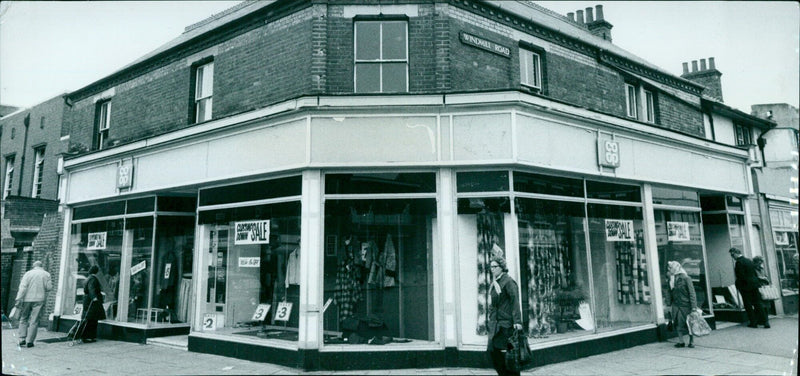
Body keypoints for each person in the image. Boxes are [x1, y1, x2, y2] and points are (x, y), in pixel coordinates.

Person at [486, 256, 523, 376]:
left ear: (502, 267)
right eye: (491, 267)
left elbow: (515, 301)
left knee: (509, 358)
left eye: (495, 266)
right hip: (495, 325)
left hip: (505, 325)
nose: (492, 269)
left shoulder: (508, 281)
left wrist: (517, 322)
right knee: (495, 355)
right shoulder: (496, 282)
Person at [14, 260, 52, 348]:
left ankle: (22, 339)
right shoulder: (46, 274)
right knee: (34, 320)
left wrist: (18, 298)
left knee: (24, 318)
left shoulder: (28, 274)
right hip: (39, 299)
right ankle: (30, 341)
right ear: (41, 266)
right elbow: (49, 288)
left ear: (33, 266)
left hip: (27, 299)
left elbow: (22, 287)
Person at [729, 248, 768, 328]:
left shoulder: (739, 262)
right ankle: (765, 322)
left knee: (748, 305)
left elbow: (741, 276)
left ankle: (753, 322)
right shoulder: (749, 260)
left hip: (746, 286)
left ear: (736, 253)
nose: (732, 257)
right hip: (754, 285)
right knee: (758, 303)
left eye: (732, 255)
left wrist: (738, 285)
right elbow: (754, 273)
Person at [667, 261, 698, 348]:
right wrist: (669, 304)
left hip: (685, 305)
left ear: (677, 268)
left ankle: (691, 341)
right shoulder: (671, 279)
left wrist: (694, 307)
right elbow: (669, 292)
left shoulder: (686, 278)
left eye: (671, 268)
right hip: (676, 305)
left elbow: (692, 293)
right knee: (677, 323)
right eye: (669, 268)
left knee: (689, 324)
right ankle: (681, 341)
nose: (669, 270)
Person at [80, 265, 106, 342]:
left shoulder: (88, 278)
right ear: (97, 272)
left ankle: (86, 336)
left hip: (87, 301)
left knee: (89, 318)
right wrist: (94, 298)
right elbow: (91, 288)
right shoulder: (93, 279)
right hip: (92, 302)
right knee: (92, 319)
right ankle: (89, 336)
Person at [752, 256, 771, 327]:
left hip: (765, 288)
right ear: (756, 262)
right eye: (759, 261)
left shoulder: (762, 269)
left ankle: (763, 320)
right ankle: (764, 321)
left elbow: (766, 276)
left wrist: (766, 279)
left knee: (766, 305)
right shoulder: (752, 269)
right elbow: (754, 278)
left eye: (761, 262)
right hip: (758, 288)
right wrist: (761, 278)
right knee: (760, 305)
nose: (761, 263)